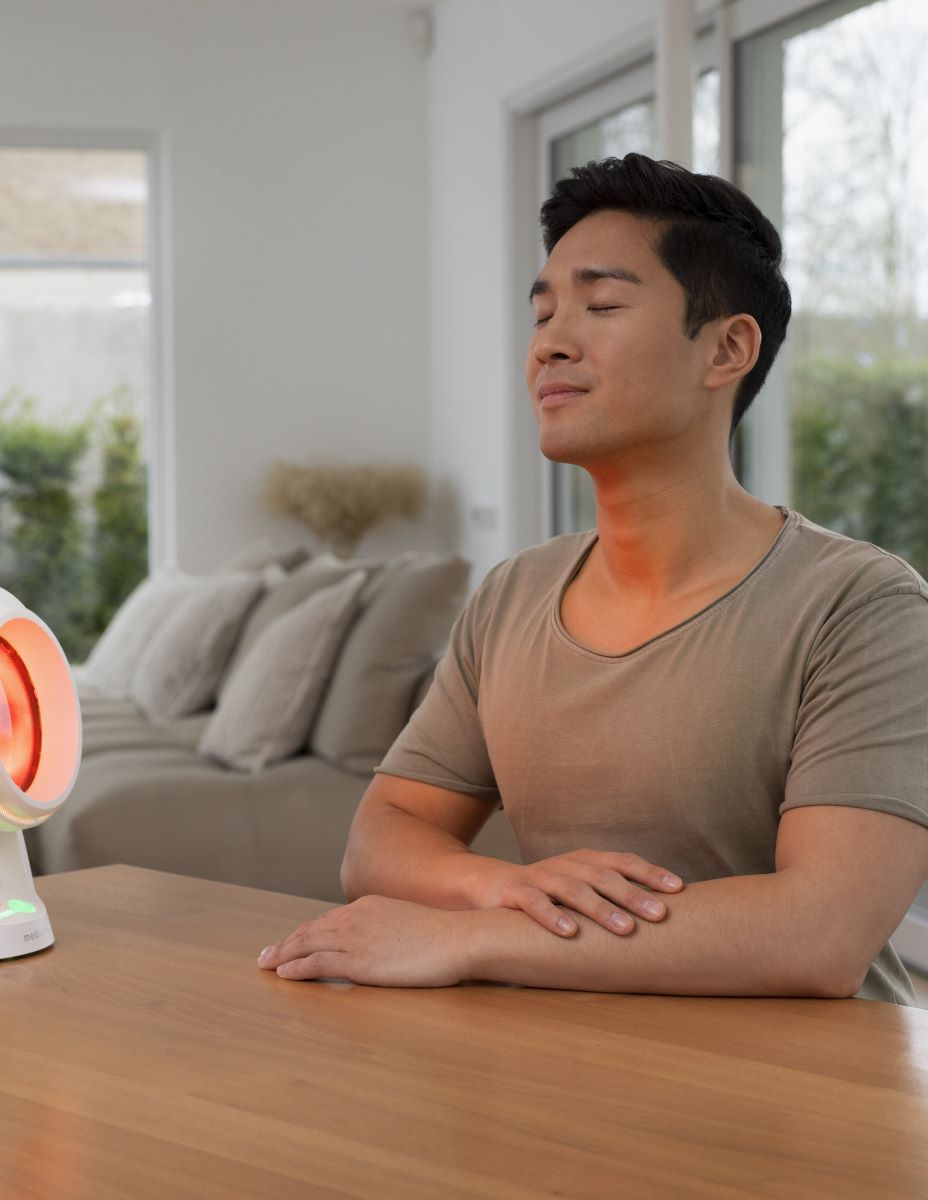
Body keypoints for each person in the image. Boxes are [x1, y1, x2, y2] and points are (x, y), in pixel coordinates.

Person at [258, 153, 928, 1004]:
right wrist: (496, 887)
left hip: (810, 1110)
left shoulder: (862, 606)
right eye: (543, 313)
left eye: (601, 305)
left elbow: (821, 932)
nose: (551, 342)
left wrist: (467, 936)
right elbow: (381, 840)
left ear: (727, 349)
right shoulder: (513, 597)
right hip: (572, 1077)